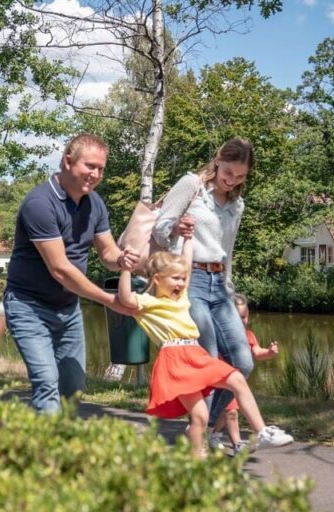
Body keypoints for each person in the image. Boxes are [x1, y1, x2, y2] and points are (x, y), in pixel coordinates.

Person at [116, 232, 292, 457]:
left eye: (183, 279)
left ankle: (263, 432)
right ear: (157, 279)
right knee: (199, 416)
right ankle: (196, 457)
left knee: (237, 378)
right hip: (175, 358)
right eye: (175, 279)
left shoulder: (181, 299)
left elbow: (188, 265)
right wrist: (126, 270)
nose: (181, 283)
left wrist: (188, 239)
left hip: (195, 353)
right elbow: (126, 298)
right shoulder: (148, 303)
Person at [4, 133, 139, 414]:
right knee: (46, 382)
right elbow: (60, 270)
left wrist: (122, 259)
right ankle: (48, 454)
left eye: (101, 168)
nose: (96, 174)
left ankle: (57, 440)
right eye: (90, 166)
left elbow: (107, 253)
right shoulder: (39, 204)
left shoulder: (95, 204)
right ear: (68, 161)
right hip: (29, 307)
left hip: (67, 308)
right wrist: (108, 300)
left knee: (73, 386)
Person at [153, 138, 255, 448]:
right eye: (228, 172)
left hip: (218, 284)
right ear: (218, 159)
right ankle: (198, 435)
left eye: (240, 177)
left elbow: (228, 251)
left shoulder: (236, 205)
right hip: (189, 277)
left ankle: (206, 426)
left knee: (243, 361)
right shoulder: (191, 185)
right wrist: (176, 229)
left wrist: (229, 287)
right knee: (208, 357)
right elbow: (159, 229)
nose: (232, 180)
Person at [214, 293, 280, 455]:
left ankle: (211, 433)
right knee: (231, 412)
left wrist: (269, 353)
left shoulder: (248, 335)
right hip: (221, 381)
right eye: (237, 318)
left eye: (244, 317)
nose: (242, 321)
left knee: (225, 412)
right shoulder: (219, 335)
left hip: (238, 384)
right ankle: (236, 444)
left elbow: (257, 352)